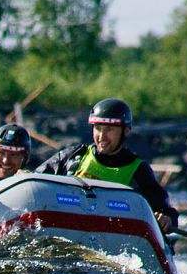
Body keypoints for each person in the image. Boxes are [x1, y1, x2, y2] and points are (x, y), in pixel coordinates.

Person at [35, 98, 178, 232]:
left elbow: (166, 212)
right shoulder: (73, 157)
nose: (102, 137)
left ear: (125, 131)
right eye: (98, 128)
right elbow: (35, 180)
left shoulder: (139, 171)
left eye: (110, 130)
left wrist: (167, 219)